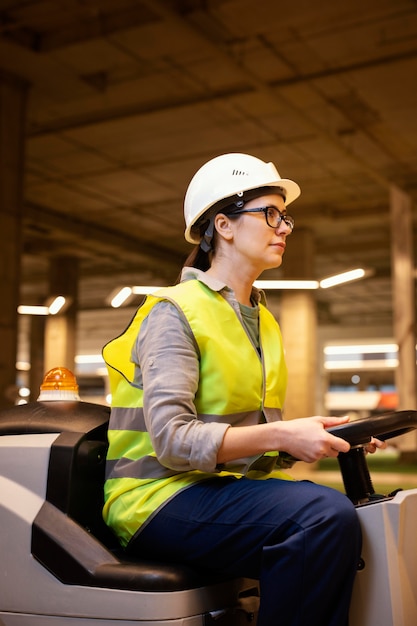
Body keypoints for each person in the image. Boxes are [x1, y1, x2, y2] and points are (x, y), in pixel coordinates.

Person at [103, 153, 382, 626]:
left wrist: (318, 438)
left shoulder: (265, 321)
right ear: (224, 226)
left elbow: (255, 443)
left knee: (347, 519)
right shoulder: (174, 312)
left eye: (285, 216)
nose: (285, 227)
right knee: (319, 517)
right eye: (270, 214)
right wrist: (281, 436)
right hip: (154, 498)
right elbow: (172, 441)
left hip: (217, 487)